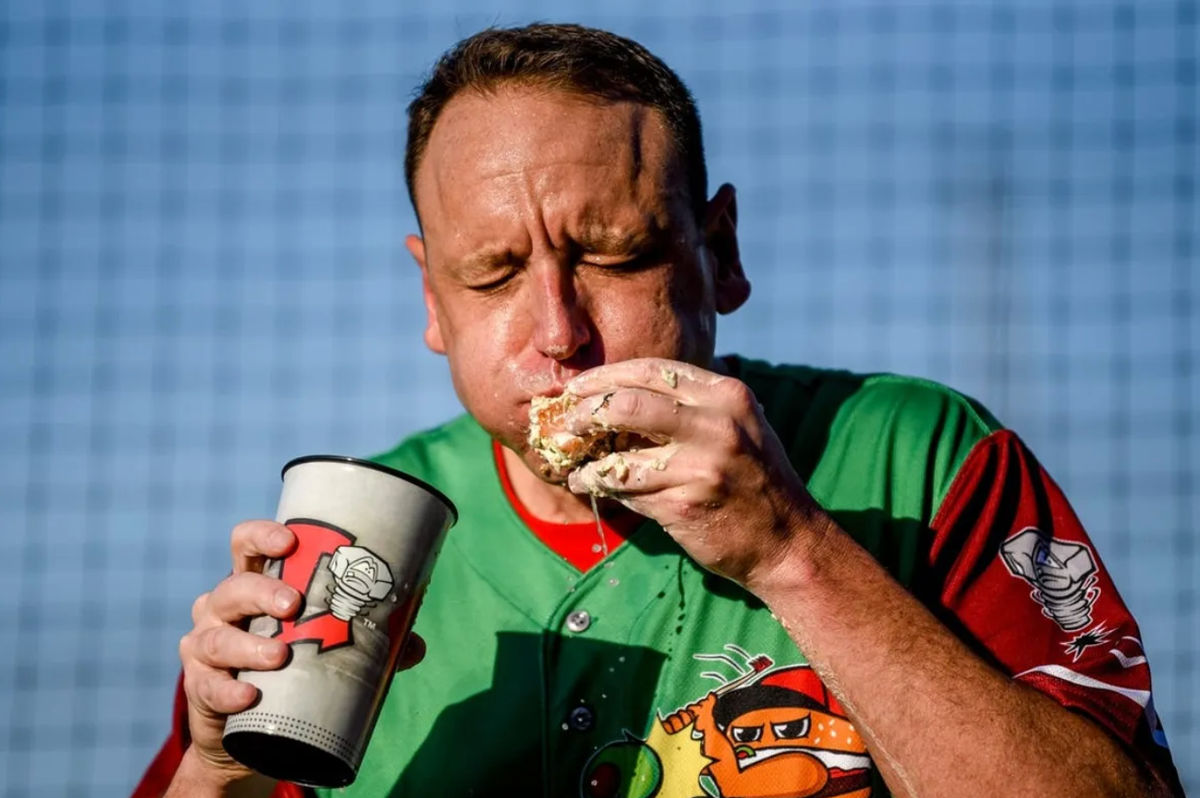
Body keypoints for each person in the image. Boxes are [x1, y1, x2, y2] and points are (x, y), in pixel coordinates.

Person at [134, 23, 1184, 798]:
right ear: (430, 302)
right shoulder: (353, 548)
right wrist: (213, 767)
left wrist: (794, 553)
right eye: (493, 274)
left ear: (718, 253)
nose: (557, 331)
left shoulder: (918, 456)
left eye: (614, 256)